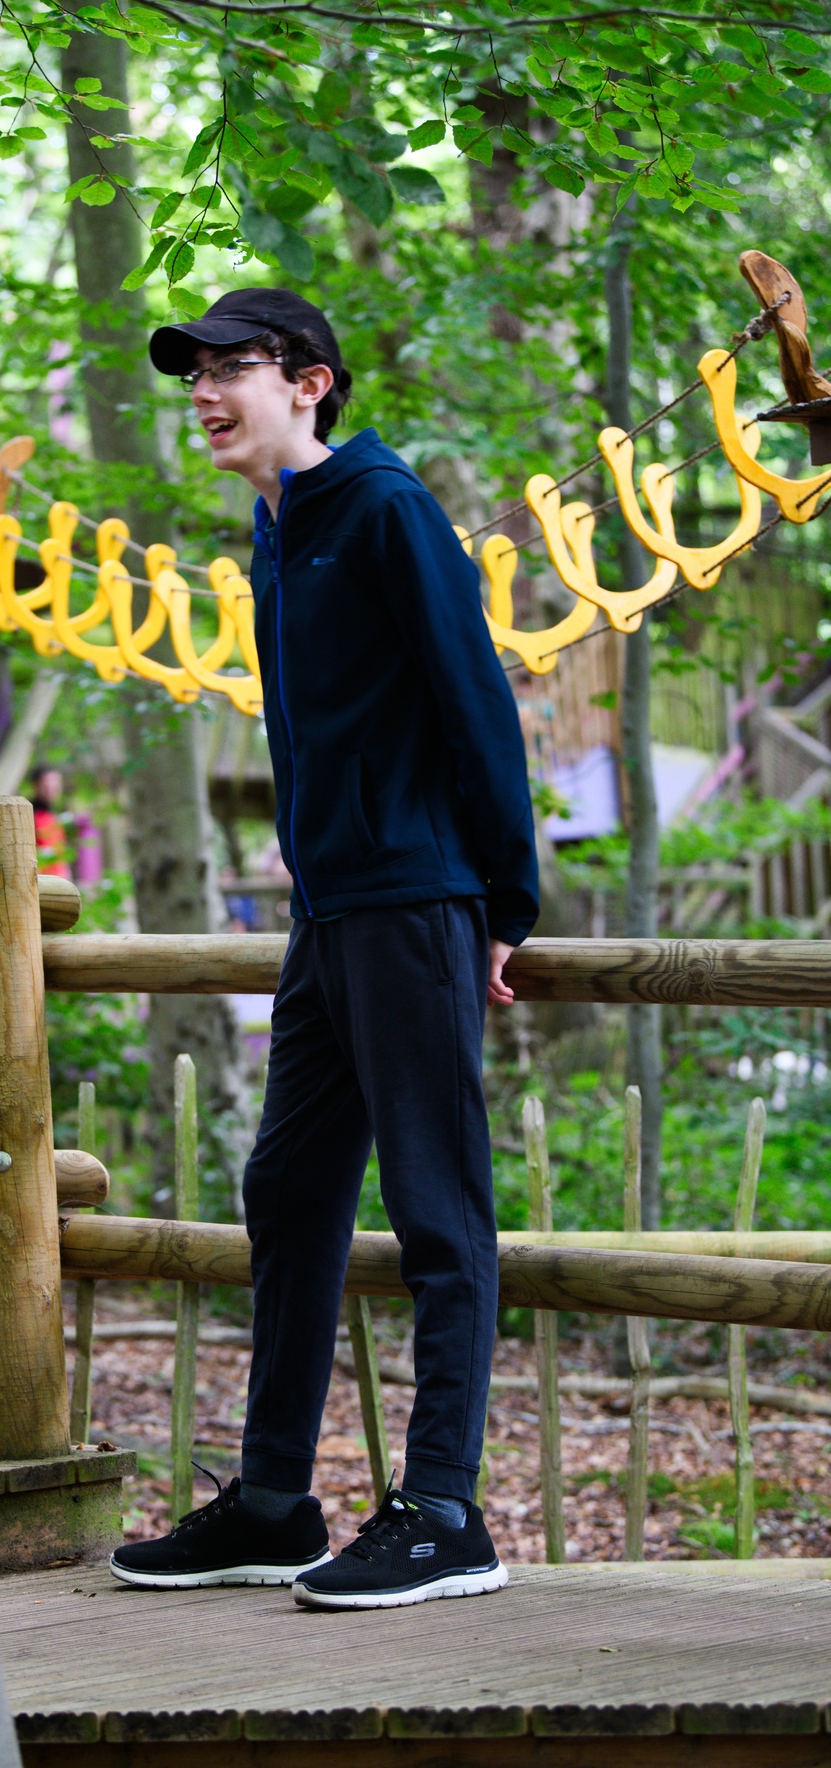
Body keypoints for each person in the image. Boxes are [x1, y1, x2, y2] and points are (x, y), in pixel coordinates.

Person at [108, 288, 538, 1609]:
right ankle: (273, 1503)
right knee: (288, 1194)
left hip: (414, 902)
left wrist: (504, 906)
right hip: (329, 914)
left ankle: (444, 1511)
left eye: (228, 366)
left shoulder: (385, 508)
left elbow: (474, 702)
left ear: (308, 382)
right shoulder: (276, 525)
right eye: (191, 373)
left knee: (434, 1207)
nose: (202, 392)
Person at [30, 764, 73, 879]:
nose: (50, 790)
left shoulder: (55, 815)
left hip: (59, 879)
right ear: (35, 785)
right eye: (46, 785)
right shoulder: (29, 814)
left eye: (55, 785)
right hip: (41, 880)